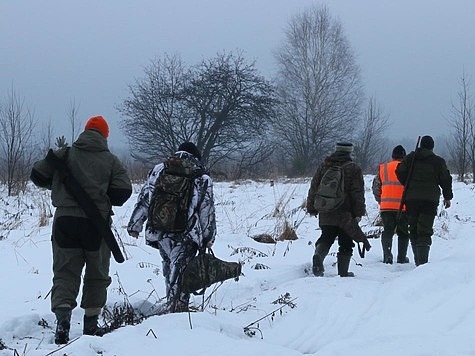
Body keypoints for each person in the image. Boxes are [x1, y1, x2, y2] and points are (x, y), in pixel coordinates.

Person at [30, 116, 132, 344]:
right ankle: (91, 326)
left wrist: (58, 185)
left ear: (85, 132)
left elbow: (37, 174)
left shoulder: (63, 154)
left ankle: (63, 319)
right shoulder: (111, 161)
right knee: (97, 274)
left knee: (65, 272)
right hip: (96, 226)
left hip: (64, 221)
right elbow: (123, 192)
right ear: (105, 136)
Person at [127, 142, 216, 313]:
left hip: (160, 231)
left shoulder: (160, 169)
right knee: (181, 272)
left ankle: (172, 306)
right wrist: (208, 238)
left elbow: (145, 198)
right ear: (196, 156)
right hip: (186, 234)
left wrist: (135, 224)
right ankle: (177, 311)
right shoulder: (201, 176)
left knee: (169, 267)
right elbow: (207, 210)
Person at [306, 142, 367, 277]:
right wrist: (358, 212)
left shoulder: (324, 166)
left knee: (326, 237)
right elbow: (357, 192)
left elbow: (314, 187)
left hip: (326, 209)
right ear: (349, 152)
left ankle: (318, 256)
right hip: (346, 212)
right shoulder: (354, 168)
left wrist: (312, 207)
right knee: (346, 241)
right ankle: (343, 272)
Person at [395, 135, 453, 266]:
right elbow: (445, 179)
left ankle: (418, 261)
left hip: (411, 199)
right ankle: (422, 264)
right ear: (432, 147)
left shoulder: (411, 158)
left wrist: (408, 183)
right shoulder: (438, 161)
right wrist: (447, 197)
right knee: (424, 230)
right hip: (430, 200)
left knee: (414, 228)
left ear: (421, 145)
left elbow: (399, 172)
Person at [372, 145, 410, 264]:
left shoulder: (383, 168)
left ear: (392, 156)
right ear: (403, 157)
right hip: (403, 207)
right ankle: (402, 258)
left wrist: (381, 200)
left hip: (386, 207)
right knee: (403, 233)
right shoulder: (408, 168)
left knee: (388, 231)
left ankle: (387, 256)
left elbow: (376, 188)